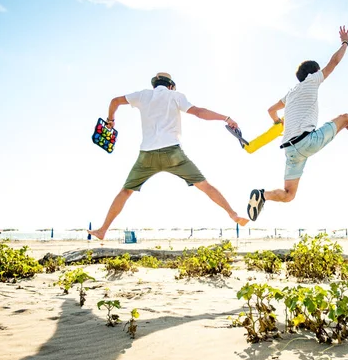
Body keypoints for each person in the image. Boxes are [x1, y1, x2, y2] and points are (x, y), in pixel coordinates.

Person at [246, 26, 348, 221]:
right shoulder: (312, 80)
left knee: (289, 195)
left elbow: (271, 111)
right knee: (346, 119)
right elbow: (334, 62)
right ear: (314, 72)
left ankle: (262, 195)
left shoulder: (290, 95)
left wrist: (278, 124)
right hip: (307, 142)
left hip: (290, 151)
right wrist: (345, 42)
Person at [88, 72, 248, 240]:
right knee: (205, 185)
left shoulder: (143, 95)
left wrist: (110, 120)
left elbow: (115, 101)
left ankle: (103, 230)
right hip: (173, 154)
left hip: (146, 156)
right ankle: (233, 214)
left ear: (154, 85)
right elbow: (199, 112)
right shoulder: (175, 96)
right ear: (170, 85)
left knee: (126, 191)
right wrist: (226, 118)